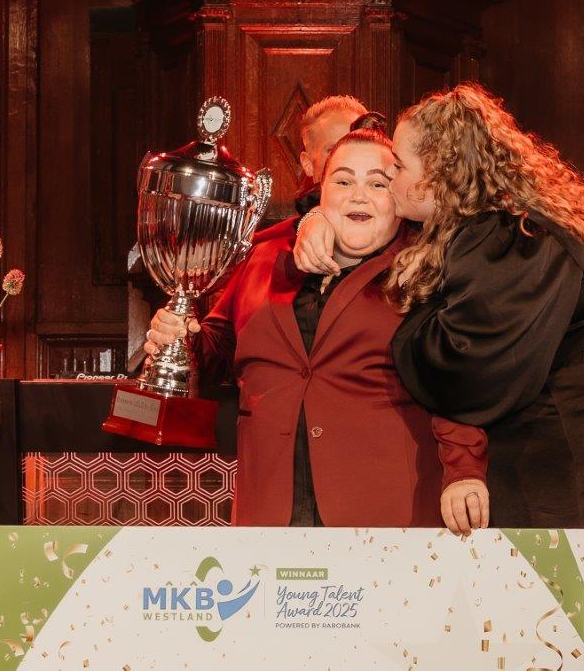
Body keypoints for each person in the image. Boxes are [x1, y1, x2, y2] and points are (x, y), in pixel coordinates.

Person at [295, 83, 584, 670]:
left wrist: (409, 325)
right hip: (564, 415)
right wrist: (314, 219)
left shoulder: (512, 236)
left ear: (439, 175)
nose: (390, 177)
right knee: (543, 606)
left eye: (399, 166)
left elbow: (462, 373)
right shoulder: (478, 222)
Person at [144, 125, 488, 529]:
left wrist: (464, 470)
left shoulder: (422, 272)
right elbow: (217, 351)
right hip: (270, 511)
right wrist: (182, 339)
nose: (358, 195)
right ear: (320, 193)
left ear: (398, 197)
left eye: (377, 183)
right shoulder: (263, 259)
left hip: (383, 515)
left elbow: (452, 381)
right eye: (343, 181)